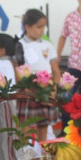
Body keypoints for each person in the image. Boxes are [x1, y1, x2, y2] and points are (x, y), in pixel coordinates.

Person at [17, 8, 61, 142]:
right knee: (25, 127)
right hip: (28, 90)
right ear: (27, 27)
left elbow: (56, 71)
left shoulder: (48, 45)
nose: (42, 30)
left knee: (43, 126)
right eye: (38, 27)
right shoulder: (20, 45)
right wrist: (27, 90)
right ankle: (23, 156)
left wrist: (53, 88)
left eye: (44, 27)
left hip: (46, 89)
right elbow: (18, 71)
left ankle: (42, 154)